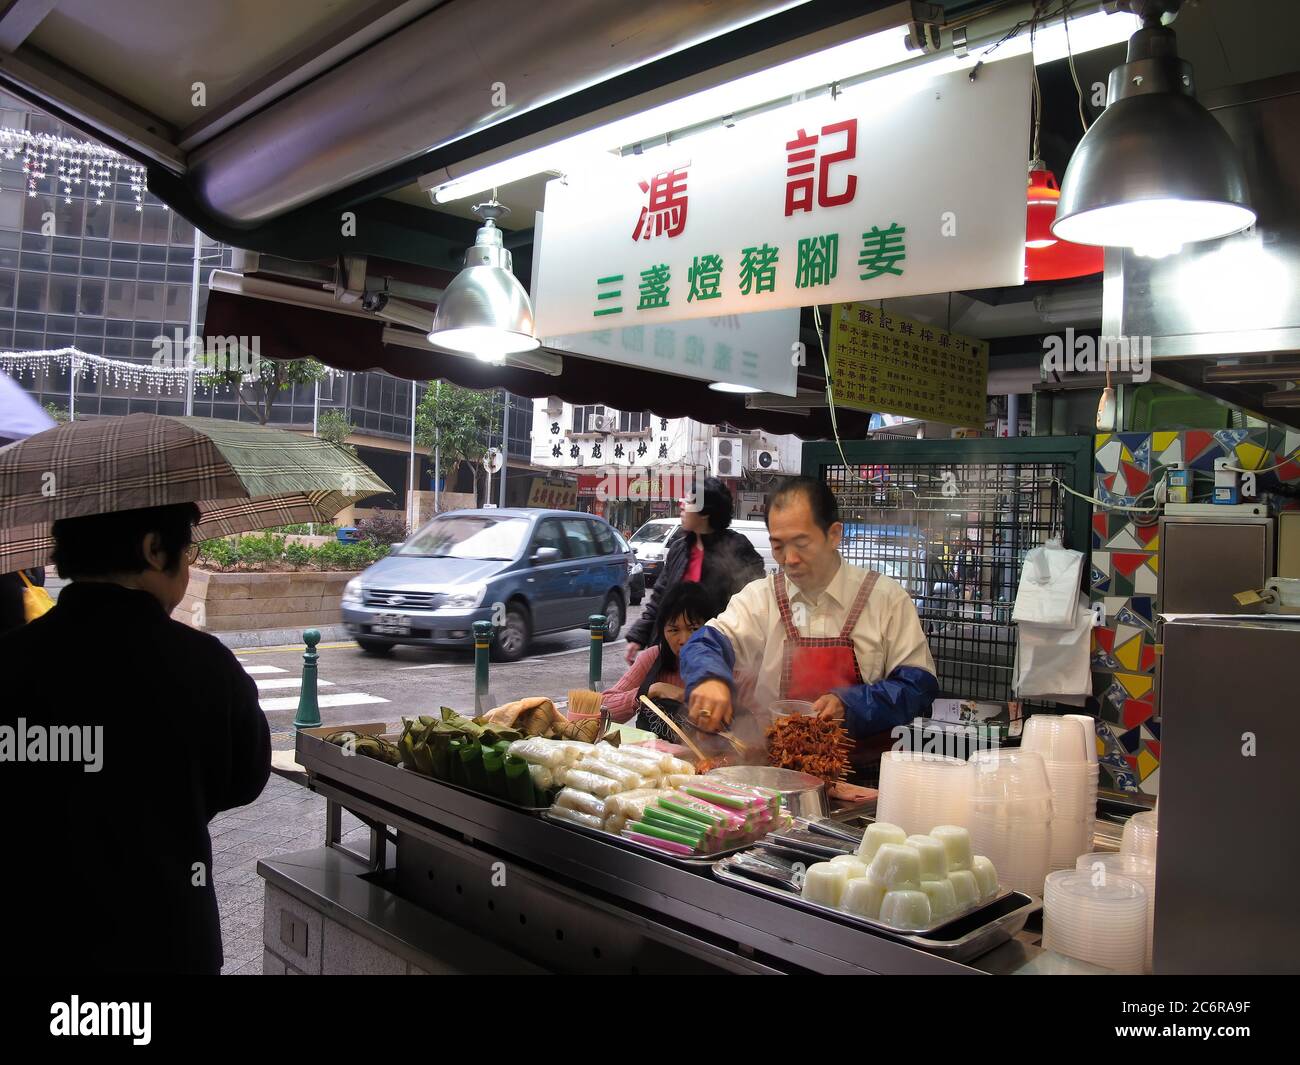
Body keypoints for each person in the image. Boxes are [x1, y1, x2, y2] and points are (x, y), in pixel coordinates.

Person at [0, 503, 271, 974]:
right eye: (187, 552)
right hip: (164, 940)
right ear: (153, 549)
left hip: (31, 938)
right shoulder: (205, 665)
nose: (187, 568)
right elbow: (245, 779)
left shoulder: (9, 660)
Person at [679, 476, 938, 771]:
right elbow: (707, 641)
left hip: (867, 776)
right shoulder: (762, 598)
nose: (789, 559)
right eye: (777, 546)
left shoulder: (885, 599)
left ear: (834, 534)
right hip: (777, 771)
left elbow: (918, 687)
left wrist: (850, 704)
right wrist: (709, 677)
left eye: (801, 543)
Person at [624, 476, 764, 664]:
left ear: (705, 512)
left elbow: (751, 607)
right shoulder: (679, 548)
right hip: (672, 653)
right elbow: (661, 598)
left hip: (715, 655)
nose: (681, 506)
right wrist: (639, 635)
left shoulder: (738, 549)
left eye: (687, 502)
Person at [601, 581, 717, 725]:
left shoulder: (731, 664)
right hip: (652, 748)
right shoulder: (653, 658)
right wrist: (650, 691)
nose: (684, 640)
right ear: (663, 630)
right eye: (674, 630)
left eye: (693, 629)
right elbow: (602, 708)